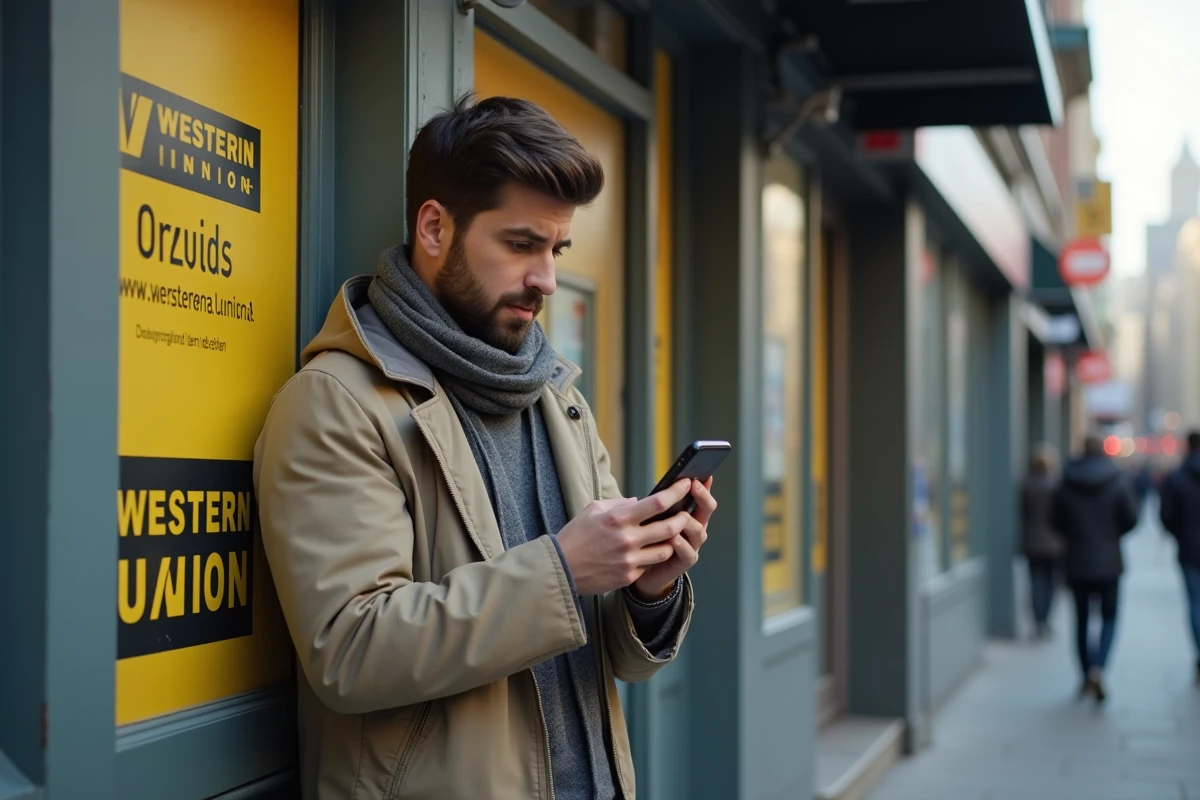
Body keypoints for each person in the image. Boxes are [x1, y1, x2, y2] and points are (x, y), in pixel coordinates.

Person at [254, 95, 714, 799]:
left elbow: (617, 656)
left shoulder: (557, 396)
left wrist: (648, 586)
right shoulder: (337, 402)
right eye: (521, 245)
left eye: (556, 250)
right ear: (434, 227)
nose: (546, 279)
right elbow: (350, 650)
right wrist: (564, 569)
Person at [1052, 435, 1139, 703]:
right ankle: (1098, 668)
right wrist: (1110, 535)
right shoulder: (1117, 480)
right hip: (1109, 562)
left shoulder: (1067, 481)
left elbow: (1055, 520)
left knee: (1081, 620)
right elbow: (1131, 518)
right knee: (1109, 617)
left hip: (1077, 561)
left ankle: (1085, 673)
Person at [1157, 430, 1200, 685]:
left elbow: (1166, 515)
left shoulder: (1177, 477)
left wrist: (1180, 534)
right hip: (1189, 545)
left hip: (1189, 548)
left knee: (1195, 602)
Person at [1021, 444, 1066, 640]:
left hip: (1032, 541)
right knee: (1050, 583)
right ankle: (1045, 620)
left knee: (1035, 582)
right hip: (1054, 542)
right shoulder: (1057, 486)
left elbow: (1023, 514)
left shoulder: (1027, 485)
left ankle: (1038, 620)